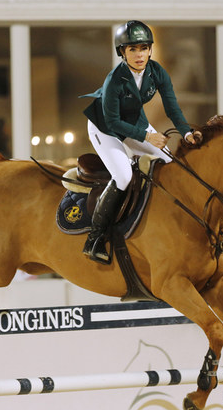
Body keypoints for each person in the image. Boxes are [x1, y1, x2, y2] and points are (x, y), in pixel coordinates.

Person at [80, 20, 201, 264]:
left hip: (135, 122)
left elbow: (172, 108)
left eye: (144, 48)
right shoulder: (114, 80)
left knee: (171, 162)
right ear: (122, 52)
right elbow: (114, 123)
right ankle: (95, 238)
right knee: (124, 176)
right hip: (105, 128)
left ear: (150, 50)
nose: (139, 54)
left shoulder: (157, 72)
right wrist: (147, 136)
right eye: (133, 49)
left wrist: (187, 133)